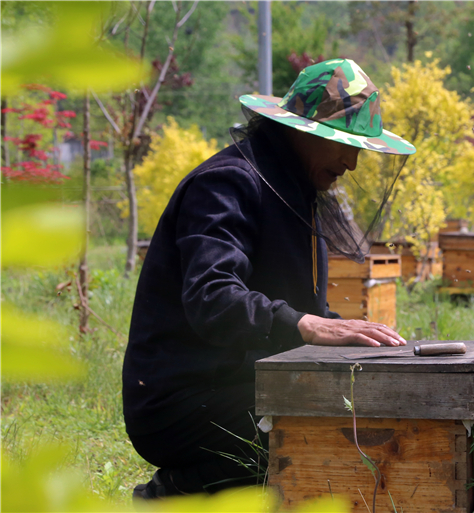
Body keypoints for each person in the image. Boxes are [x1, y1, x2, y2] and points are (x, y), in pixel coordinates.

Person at [124, 59, 416, 499]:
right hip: (182, 399)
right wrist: (309, 325)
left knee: (359, 421)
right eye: (345, 144)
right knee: (319, 439)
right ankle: (173, 493)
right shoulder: (226, 184)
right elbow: (213, 298)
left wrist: (357, 338)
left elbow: (302, 310)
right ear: (302, 132)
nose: (352, 162)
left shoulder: (294, 191)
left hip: (246, 383)